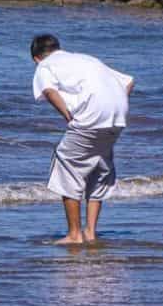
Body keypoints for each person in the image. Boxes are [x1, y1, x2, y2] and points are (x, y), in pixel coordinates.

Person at [31, 34, 135, 245]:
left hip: (91, 118)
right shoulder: (86, 59)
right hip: (117, 118)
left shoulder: (44, 66)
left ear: (36, 58)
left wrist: (67, 115)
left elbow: (50, 91)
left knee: (67, 165)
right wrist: (113, 106)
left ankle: (74, 234)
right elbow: (128, 81)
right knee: (98, 166)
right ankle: (91, 232)